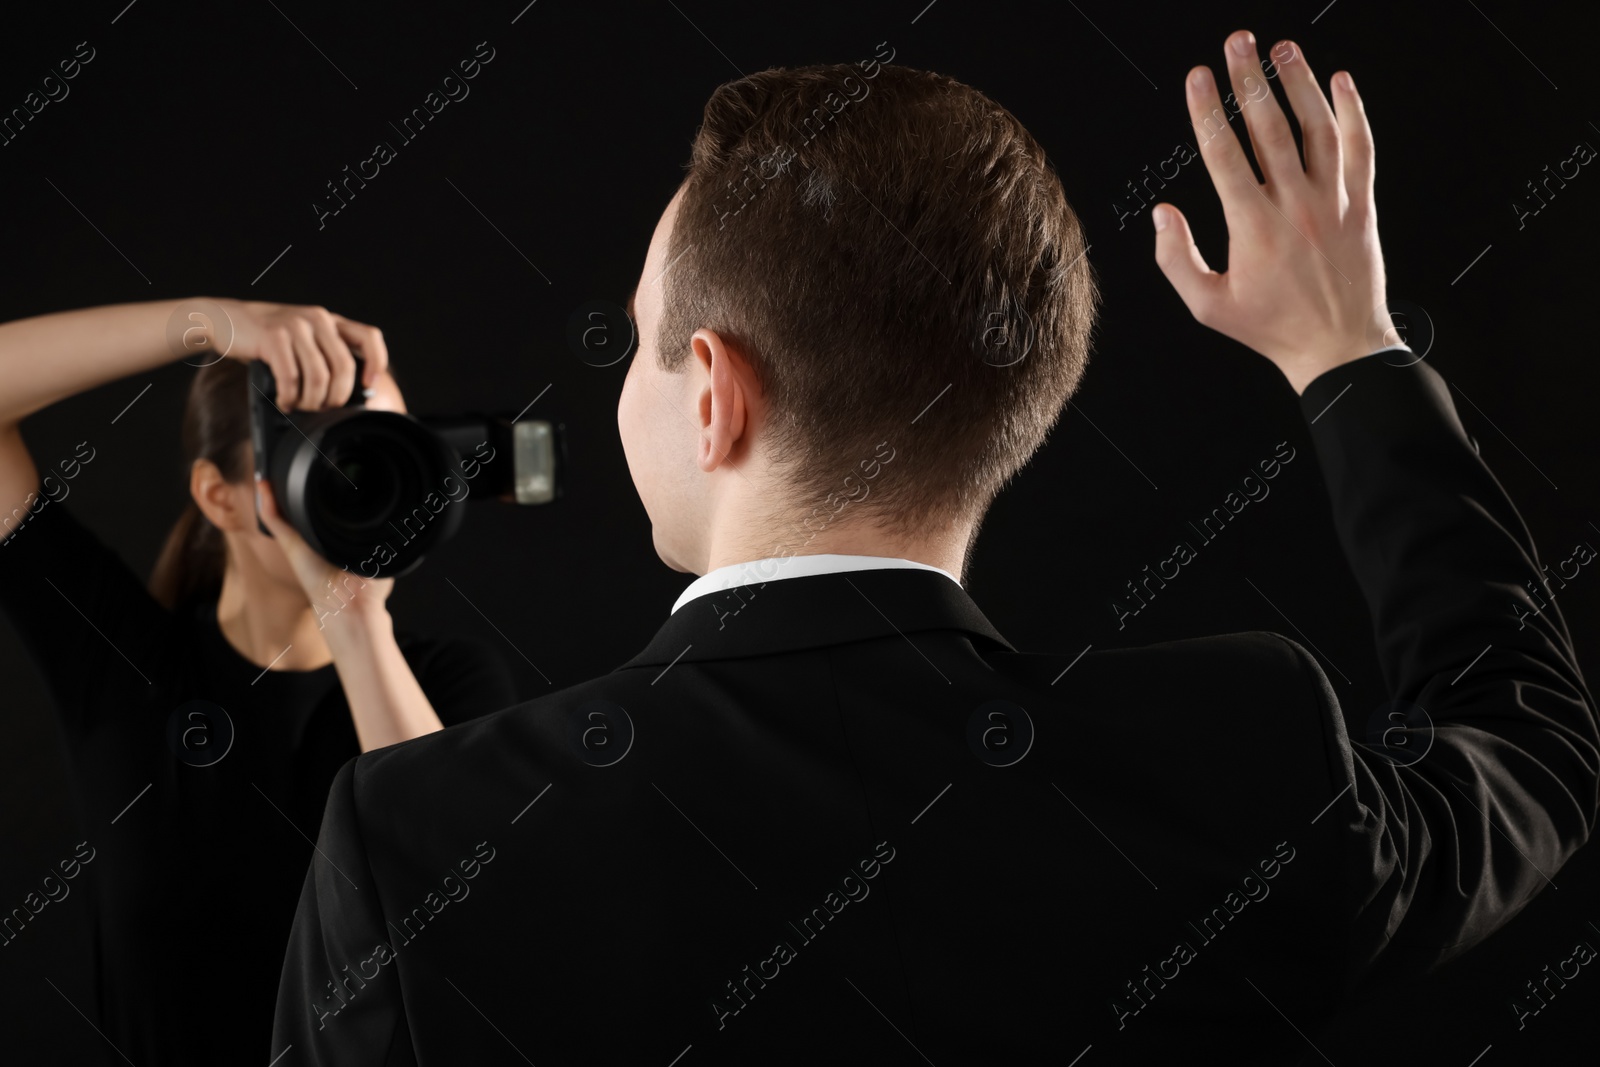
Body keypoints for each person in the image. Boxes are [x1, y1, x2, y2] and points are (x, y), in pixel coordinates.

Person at [272, 32, 1596, 1066]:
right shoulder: (1240, 758)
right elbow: (1530, 748)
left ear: (716, 393)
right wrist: (1346, 351)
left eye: (638, 341)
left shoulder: (418, 837)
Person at [0, 298, 516, 1065]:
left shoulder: (452, 683)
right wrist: (209, 321)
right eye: (329, 451)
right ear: (221, 496)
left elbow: (447, 914)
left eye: (383, 449)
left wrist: (354, 616)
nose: (362, 483)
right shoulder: (125, 664)